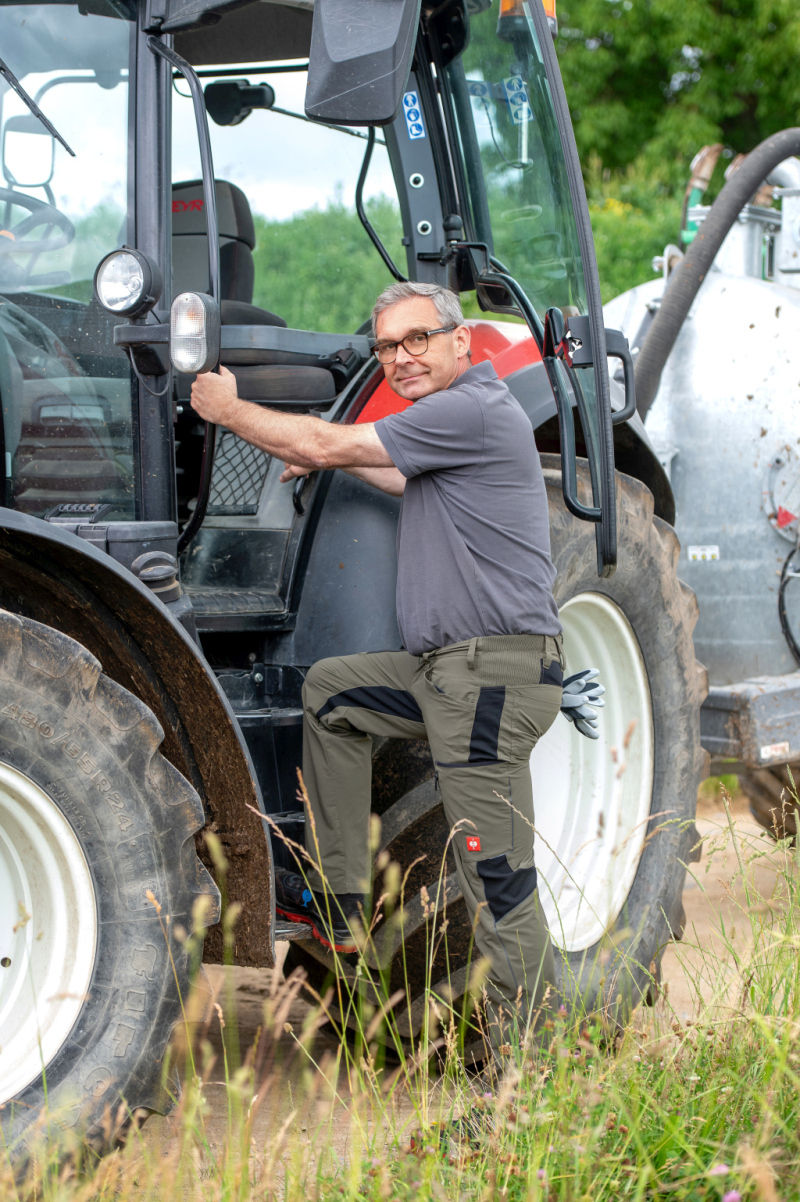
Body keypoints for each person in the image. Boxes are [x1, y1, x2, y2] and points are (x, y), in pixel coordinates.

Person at [191, 281, 565, 1051]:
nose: (401, 358)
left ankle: (535, 1069)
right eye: (388, 346)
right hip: (443, 673)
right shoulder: (448, 429)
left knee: (493, 875)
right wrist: (324, 461)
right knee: (331, 694)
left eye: (418, 339)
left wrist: (231, 412)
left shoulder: (476, 407)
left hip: (490, 678)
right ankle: (344, 903)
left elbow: (327, 441)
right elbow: (393, 471)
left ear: (461, 342)